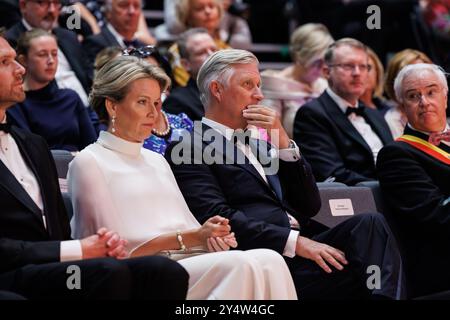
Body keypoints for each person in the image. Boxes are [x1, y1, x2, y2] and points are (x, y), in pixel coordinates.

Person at [166, 48, 405, 300]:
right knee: (365, 272)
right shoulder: (190, 147)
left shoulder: (262, 143)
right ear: (217, 89)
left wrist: (283, 142)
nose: (259, 95)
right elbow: (219, 218)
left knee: (369, 225)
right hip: (264, 257)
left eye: (259, 85)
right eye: (248, 85)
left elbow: (310, 204)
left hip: (301, 243)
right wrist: (295, 243)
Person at [68, 55, 298, 300]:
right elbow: (110, 251)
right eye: (142, 102)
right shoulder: (88, 162)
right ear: (112, 106)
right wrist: (192, 237)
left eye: (157, 103)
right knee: (243, 266)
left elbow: (191, 230)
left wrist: (213, 236)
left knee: (269, 260)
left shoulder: (157, 160)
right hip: (142, 271)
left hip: (184, 261)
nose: (153, 113)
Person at [0, 29, 189, 300]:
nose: (20, 69)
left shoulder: (32, 144)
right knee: (108, 272)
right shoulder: (89, 160)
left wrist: (102, 244)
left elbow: (58, 226)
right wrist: (76, 250)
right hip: (10, 273)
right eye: (5, 62)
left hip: (54, 269)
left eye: (16, 60)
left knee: (164, 271)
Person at [377, 63, 450, 297]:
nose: (424, 102)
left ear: (445, 97)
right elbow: (437, 216)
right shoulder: (397, 154)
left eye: (431, 92)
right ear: (402, 107)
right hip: (440, 267)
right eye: (412, 96)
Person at [293, 38, 393, 185]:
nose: (357, 73)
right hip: (357, 201)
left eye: (363, 67)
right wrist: (391, 187)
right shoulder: (311, 114)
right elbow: (332, 174)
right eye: (348, 66)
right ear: (327, 72)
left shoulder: (375, 114)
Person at [7, 29, 96, 152]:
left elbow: (91, 145)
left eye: (54, 54)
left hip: (80, 166)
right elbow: (31, 152)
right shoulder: (16, 103)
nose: (51, 61)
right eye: (42, 54)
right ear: (23, 61)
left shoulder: (71, 97)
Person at [6, 0, 91, 108]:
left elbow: (90, 78)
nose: (52, 9)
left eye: (56, 3)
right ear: (23, 6)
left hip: (89, 110)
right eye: (43, 3)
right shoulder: (9, 44)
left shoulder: (69, 37)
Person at [261, 23, 333, 138]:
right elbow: (266, 135)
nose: (323, 68)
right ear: (301, 56)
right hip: (291, 153)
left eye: (327, 61)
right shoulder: (274, 84)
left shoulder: (324, 85)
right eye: (317, 62)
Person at [123, 45, 194, 155]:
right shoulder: (127, 134)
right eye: (143, 74)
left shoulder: (182, 121)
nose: (153, 78)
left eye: (156, 71)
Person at [168, 0, 231, 87]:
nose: (208, 11)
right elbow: (186, 84)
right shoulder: (177, 51)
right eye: (199, 9)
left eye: (211, 6)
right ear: (188, 16)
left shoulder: (228, 49)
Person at [163, 28, 218, 122]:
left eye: (213, 49)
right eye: (201, 53)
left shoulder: (236, 91)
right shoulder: (177, 102)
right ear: (186, 64)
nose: (211, 55)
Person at [82, 0, 151, 70]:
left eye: (136, 6)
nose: (132, 11)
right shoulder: (95, 43)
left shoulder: (144, 46)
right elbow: (98, 79)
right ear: (108, 12)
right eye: (124, 5)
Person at [384, 49, 433, 139]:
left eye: (423, 72)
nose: (419, 79)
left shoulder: (435, 110)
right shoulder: (389, 121)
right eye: (410, 74)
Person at [359, 46, 391, 114]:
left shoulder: (389, 110)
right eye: (361, 68)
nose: (363, 73)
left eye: (368, 67)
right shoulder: (350, 110)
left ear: (378, 72)